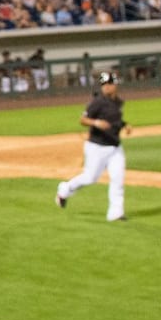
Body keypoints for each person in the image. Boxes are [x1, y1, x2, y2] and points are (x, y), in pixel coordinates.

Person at [55, 71, 130, 220]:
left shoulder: (118, 102)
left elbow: (114, 121)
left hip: (115, 147)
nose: (107, 87)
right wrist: (96, 122)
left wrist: (125, 125)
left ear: (115, 85)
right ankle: (65, 189)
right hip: (97, 147)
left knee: (118, 178)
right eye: (104, 84)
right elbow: (83, 120)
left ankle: (116, 213)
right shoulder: (97, 102)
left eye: (110, 84)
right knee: (90, 178)